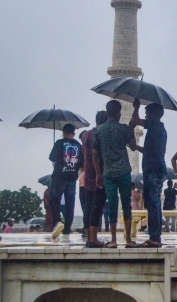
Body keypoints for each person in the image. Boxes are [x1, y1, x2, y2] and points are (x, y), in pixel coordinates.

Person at [92, 99, 138, 248]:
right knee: (126, 205)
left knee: (112, 204)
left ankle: (113, 240)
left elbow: (94, 153)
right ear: (119, 113)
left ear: (106, 113)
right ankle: (129, 240)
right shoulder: (124, 129)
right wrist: (131, 127)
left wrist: (98, 173)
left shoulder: (99, 130)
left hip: (108, 172)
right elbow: (132, 147)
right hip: (124, 171)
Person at [129, 99, 167, 248]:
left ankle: (154, 237)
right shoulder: (158, 129)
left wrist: (136, 107)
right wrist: (136, 146)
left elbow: (135, 121)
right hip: (156, 168)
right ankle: (155, 236)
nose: (146, 116)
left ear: (153, 114)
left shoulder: (155, 125)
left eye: (147, 113)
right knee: (154, 203)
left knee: (152, 204)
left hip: (153, 169)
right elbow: (149, 150)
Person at [48, 123, 84, 241]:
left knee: (54, 200)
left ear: (63, 132)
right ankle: (67, 228)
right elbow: (81, 164)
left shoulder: (59, 143)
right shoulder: (79, 145)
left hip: (59, 177)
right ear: (74, 133)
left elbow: (52, 157)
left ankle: (57, 221)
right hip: (72, 178)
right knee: (70, 204)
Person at [82, 111, 108, 247]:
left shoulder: (85, 134)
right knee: (96, 207)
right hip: (99, 175)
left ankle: (88, 237)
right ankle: (93, 239)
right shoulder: (101, 134)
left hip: (88, 175)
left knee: (88, 207)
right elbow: (99, 154)